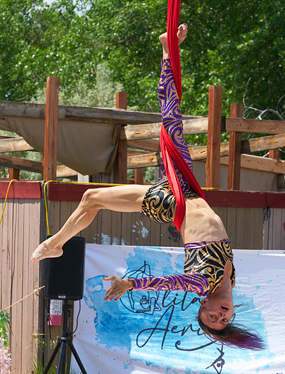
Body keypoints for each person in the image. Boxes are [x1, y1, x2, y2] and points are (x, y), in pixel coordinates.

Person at [31, 24, 263, 350]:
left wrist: (129, 283)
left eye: (212, 318)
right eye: (225, 320)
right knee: (171, 117)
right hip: (189, 189)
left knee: (90, 196)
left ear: (202, 307)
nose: (221, 316)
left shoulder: (200, 285)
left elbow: (168, 283)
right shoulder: (230, 280)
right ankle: (168, 47)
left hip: (173, 202)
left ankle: (56, 243)